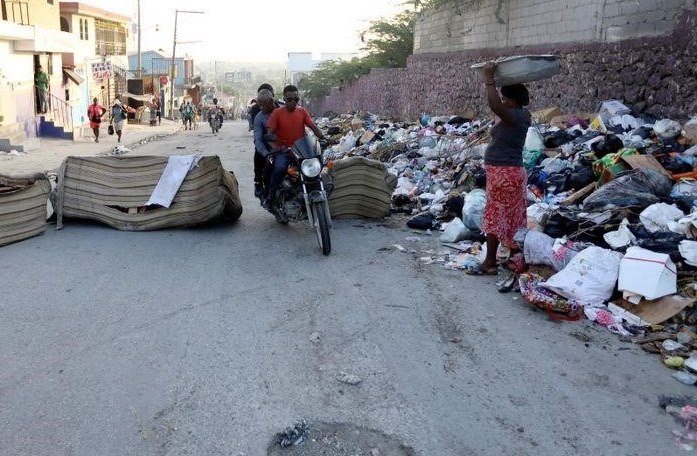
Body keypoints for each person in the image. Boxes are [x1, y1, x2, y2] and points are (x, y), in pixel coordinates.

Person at [467, 62, 531, 275]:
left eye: (506, 98)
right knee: (512, 216)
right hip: (511, 172)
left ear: (513, 100)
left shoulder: (514, 115)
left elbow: (495, 105)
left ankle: (490, 263)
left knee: (495, 216)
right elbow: (498, 109)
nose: (503, 102)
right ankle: (514, 259)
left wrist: (489, 79)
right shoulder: (521, 114)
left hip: (503, 173)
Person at [263, 85, 326, 209]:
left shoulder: (302, 111)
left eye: (295, 99)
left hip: (301, 150)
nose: (292, 102)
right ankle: (270, 198)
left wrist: (324, 138)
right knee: (280, 168)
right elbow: (269, 134)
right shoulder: (277, 113)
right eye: (289, 99)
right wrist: (275, 148)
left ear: (298, 99)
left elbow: (313, 127)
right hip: (284, 150)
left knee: (317, 167)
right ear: (284, 99)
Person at [252, 89, 275, 199]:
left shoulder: (283, 109)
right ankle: (258, 182)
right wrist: (266, 154)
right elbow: (258, 139)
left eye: (264, 105)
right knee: (258, 152)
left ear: (271, 101)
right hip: (269, 146)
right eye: (259, 105)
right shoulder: (259, 117)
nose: (261, 109)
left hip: (287, 144)